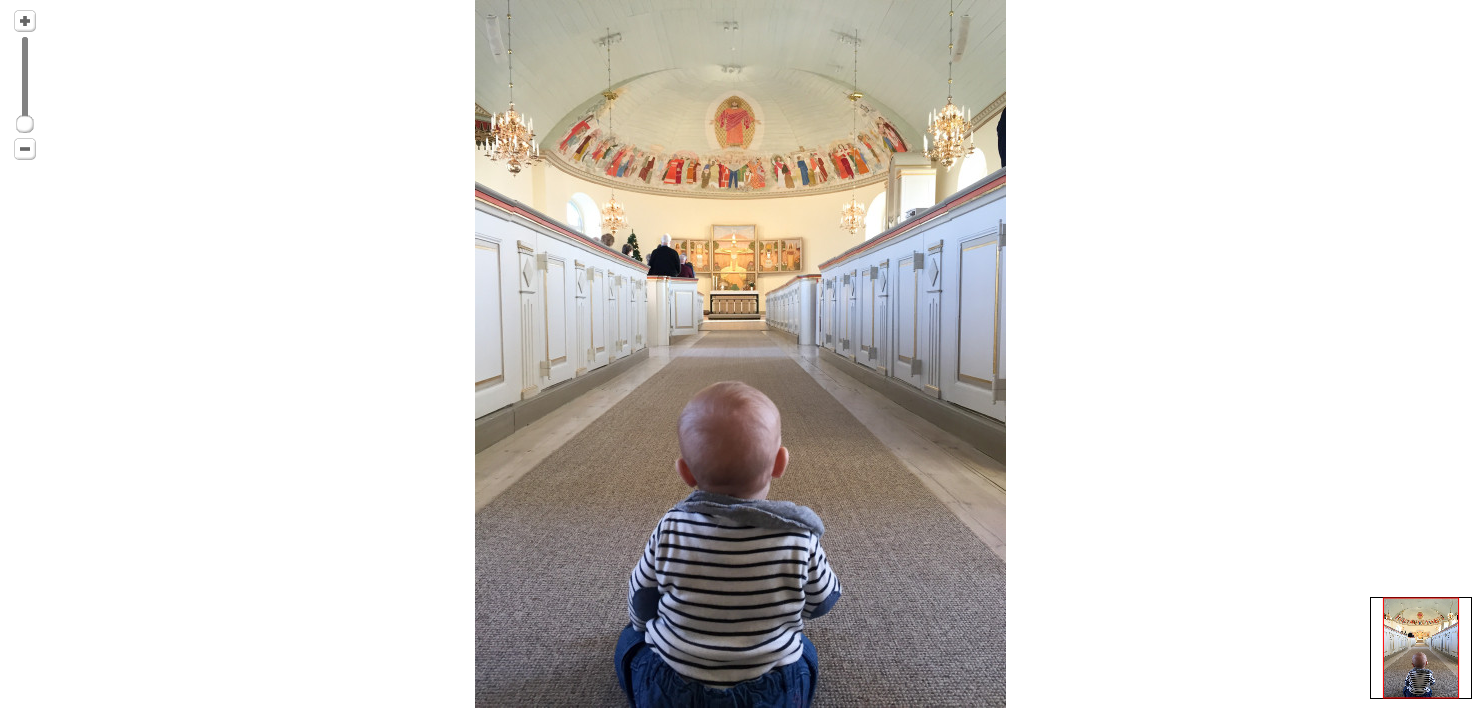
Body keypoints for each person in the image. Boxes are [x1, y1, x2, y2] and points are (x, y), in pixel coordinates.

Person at [614, 382, 840, 708]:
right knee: (803, 651)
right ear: (780, 463)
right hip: (771, 689)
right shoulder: (798, 537)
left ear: (685, 473)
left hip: (675, 691)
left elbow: (642, 596)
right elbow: (823, 602)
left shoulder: (671, 528)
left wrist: (642, 627)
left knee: (631, 642)